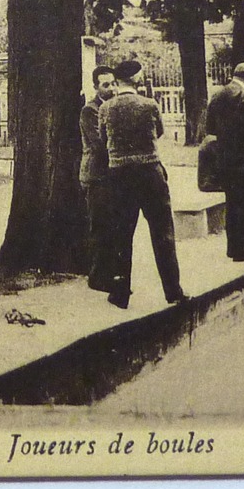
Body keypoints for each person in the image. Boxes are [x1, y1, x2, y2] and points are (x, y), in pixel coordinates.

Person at [96, 60, 186, 308]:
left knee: (121, 234)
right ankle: (173, 290)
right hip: (150, 173)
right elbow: (158, 132)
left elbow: (103, 138)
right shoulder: (150, 105)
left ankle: (120, 293)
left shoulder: (106, 109)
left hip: (119, 175)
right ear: (136, 79)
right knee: (163, 233)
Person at [206, 62, 244, 263]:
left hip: (225, 159)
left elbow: (210, 128)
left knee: (232, 202)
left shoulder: (217, 95)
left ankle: (234, 249)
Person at [79, 65, 120, 292]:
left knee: (112, 225)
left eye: (114, 83)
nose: (112, 88)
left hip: (111, 176)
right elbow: (100, 144)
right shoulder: (90, 110)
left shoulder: (113, 108)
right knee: (100, 226)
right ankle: (97, 277)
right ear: (96, 87)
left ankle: (110, 272)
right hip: (96, 175)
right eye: (106, 85)